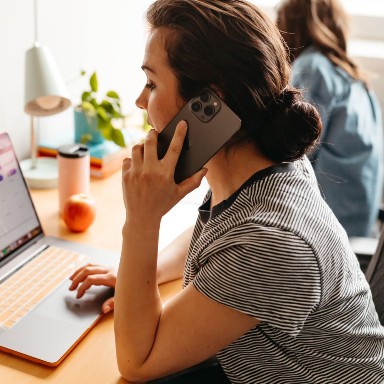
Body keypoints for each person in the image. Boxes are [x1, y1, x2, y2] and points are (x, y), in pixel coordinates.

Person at [69, 1, 384, 383]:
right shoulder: (262, 165)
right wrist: (143, 272)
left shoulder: (274, 242)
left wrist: (141, 221)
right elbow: (226, 233)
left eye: (152, 83)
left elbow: (137, 362)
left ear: (208, 105)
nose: (139, 100)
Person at [277, 0, 384, 238]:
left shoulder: (313, 66)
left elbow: (291, 150)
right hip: (359, 224)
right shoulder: (356, 79)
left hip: (327, 224)